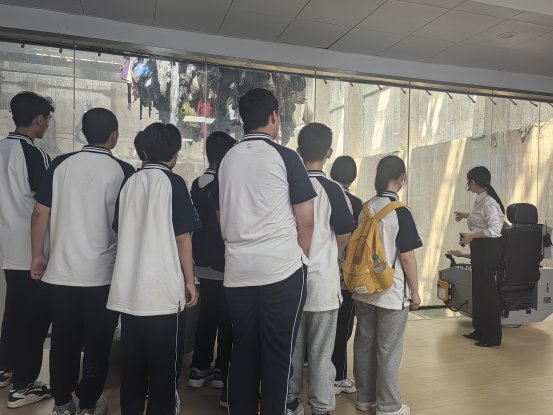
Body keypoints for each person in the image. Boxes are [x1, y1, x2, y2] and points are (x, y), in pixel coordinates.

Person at [217, 88, 316, 415]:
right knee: (277, 355)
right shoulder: (285, 156)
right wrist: (299, 259)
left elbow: (221, 215)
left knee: (243, 350)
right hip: (281, 272)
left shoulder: (228, 159)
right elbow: (307, 221)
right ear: (274, 117)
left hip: (237, 272)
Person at [31, 108, 135, 415]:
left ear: (83, 133)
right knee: (97, 343)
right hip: (103, 277)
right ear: (114, 136)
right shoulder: (124, 170)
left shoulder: (61, 164)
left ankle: (62, 404)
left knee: (64, 341)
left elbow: (39, 213)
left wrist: (38, 255)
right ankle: (89, 403)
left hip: (62, 273)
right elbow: (128, 225)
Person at [107, 122, 200, 415]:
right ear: (175, 154)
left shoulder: (129, 183)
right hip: (162, 293)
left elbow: (118, 230)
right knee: (163, 370)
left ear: (144, 152)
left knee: (132, 368)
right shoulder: (174, 183)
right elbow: (183, 238)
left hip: (129, 291)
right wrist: (190, 281)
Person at [287, 124, 355, 415]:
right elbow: (344, 236)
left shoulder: (287, 184)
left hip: (289, 282)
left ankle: (290, 402)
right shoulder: (333, 190)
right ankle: (321, 406)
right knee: (321, 352)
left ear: (298, 151)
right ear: (329, 153)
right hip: (324, 284)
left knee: (291, 349)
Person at [354, 155, 422, 415]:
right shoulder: (400, 211)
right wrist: (415, 291)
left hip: (364, 289)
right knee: (389, 348)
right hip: (391, 291)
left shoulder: (366, 208)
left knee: (364, 343)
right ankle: (389, 406)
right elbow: (408, 256)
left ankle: (365, 398)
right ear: (402, 178)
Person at [0, 91, 53, 409]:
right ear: (38, 120)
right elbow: (44, 205)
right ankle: (24, 386)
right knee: (34, 319)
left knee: (14, 310)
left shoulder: (2, 148)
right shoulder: (34, 153)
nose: (46, 126)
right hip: (32, 248)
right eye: (46, 120)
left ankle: (4, 367)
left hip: (8, 246)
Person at [188, 132, 236, 408]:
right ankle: (222, 369)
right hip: (226, 263)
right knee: (227, 319)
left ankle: (198, 367)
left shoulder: (198, 183)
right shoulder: (227, 183)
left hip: (202, 263)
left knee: (205, 317)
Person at [450, 166, 505, 347]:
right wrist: (466, 216)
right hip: (481, 248)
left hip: (488, 249)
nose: (468, 185)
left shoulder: (489, 202)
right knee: (479, 292)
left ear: (473, 182)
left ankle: (492, 337)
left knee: (487, 294)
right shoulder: (481, 200)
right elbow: (481, 218)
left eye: (469, 182)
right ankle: (480, 330)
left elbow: (495, 229)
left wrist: (471, 236)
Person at [329, 155, 363, 395]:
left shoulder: (317, 192)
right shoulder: (355, 203)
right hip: (343, 276)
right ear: (352, 177)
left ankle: (312, 364)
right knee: (342, 327)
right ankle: (338, 376)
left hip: (314, 271)